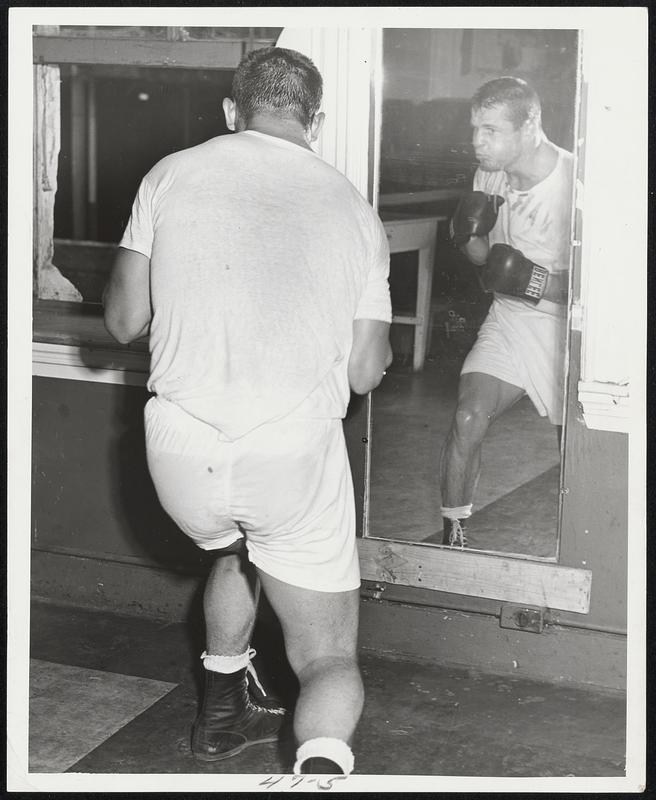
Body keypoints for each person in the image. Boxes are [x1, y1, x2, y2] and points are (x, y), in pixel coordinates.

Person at [103, 46, 392, 776]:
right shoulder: (355, 208)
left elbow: (123, 321)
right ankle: (322, 773)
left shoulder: (170, 173)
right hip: (288, 456)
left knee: (236, 549)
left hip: (179, 451)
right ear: (315, 121)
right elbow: (364, 372)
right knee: (327, 655)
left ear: (233, 111)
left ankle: (219, 713)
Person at [440, 76, 573, 548]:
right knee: (468, 417)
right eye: (475, 128)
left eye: (491, 130)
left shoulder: (574, 184)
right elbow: (485, 262)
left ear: (530, 125)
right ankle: (453, 533)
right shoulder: (489, 175)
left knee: (577, 451)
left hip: (565, 329)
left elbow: (597, 292)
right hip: (508, 318)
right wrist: (469, 237)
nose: (478, 142)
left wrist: (528, 279)